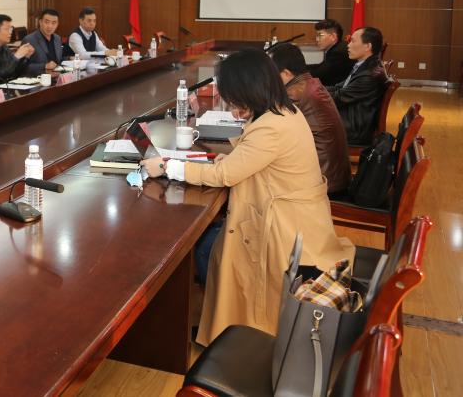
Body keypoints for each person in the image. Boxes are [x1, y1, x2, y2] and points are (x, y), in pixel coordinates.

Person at [140, 49, 353, 345]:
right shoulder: (282, 111)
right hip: (293, 217)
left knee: (205, 247)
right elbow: (247, 161)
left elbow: (224, 176)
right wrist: (225, 160)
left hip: (285, 229)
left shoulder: (272, 127)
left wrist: (167, 166)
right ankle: (223, 321)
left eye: (232, 97)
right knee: (211, 241)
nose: (231, 105)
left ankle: (234, 334)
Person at [270, 43, 351, 194]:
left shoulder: (294, 93)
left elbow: (273, 133)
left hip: (322, 181)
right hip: (333, 174)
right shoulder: (310, 83)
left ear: (286, 73)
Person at [328, 26, 388, 145]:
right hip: (351, 118)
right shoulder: (364, 65)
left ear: (367, 46)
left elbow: (338, 98)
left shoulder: (369, 74)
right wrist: (312, 88)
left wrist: (311, 93)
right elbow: (339, 87)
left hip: (354, 129)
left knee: (307, 121)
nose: (348, 45)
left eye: (353, 41)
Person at [307, 19, 354, 86]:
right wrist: (300, 67)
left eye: (320, 35)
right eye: (317, 36)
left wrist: (297, 73)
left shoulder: (338, 52)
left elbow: (318, 74)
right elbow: (321, 66)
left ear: (333, 37)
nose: (317, 39)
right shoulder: (337, 48)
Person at [22, 8, 65, 75]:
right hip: (38, 78)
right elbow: (23, 67)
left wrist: (70, 58)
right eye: (47, 22)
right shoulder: (29, 40)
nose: (50, 26)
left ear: (57, 24)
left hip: (56, 76)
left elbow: (58, 60)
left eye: (54, 23)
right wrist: (44, 66)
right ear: (40, 22)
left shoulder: (57, 38)